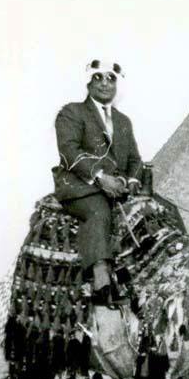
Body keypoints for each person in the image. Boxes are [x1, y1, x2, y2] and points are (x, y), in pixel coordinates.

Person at [52, 59, 143, 306]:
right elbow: (69, 151)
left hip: (116, 189)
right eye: (98, 77)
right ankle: (101, 282)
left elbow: (135, 159)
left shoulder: (123, 121)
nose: (105, 83)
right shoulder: (72, 113)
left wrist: (130, 180)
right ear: (88, 82)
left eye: (111, 78)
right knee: (99, 212)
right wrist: (100, 178)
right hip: (81, 188)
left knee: (164, 210)